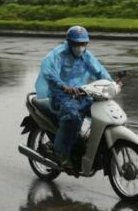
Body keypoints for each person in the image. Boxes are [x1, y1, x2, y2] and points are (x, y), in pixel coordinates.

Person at [34, 26, 113, 169]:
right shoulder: (59, 54)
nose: (80, 47)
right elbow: (48, 70)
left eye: (83, 44)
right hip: (61, 95)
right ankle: (59, 152)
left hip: (82, 93)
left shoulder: (86, 56)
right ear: (69, 42)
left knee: (102, 111)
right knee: (72, 116)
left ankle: (90, 146)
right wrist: (63, 85)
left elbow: (100, 71)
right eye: (76, 44)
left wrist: (112, 83)